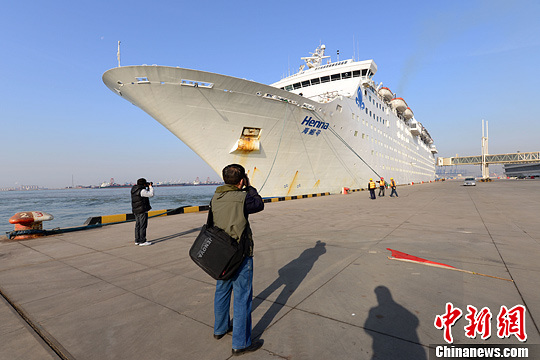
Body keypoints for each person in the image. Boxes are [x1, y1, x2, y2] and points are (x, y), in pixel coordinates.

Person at [212, 164, 264, 356]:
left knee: (222, 291)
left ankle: (220, 329)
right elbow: (259, 204)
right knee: (242, 298)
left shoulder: (215, 196)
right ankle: (240, 343)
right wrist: (250, 187)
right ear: (241, 181)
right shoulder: (244, 198)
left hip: (220, 254)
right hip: (240, 255)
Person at [131, 178, 154, 246]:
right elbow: (151, 194)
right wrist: (150, 187)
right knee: (143, 225)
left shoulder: (134, 189)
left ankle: (137, 240)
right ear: (143, 184)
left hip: (136, 210)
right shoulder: (142, 190)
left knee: (138, 225)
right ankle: (142, 241)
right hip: (142, 210)